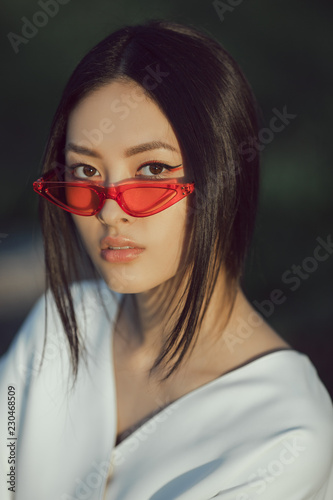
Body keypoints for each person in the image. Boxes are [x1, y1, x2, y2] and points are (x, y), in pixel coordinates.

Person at [0, 20, 332, 500]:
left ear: (226, 173)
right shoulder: (57, 325)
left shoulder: (286, 437)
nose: (109, 210)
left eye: (152, 170)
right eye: (85, 171)